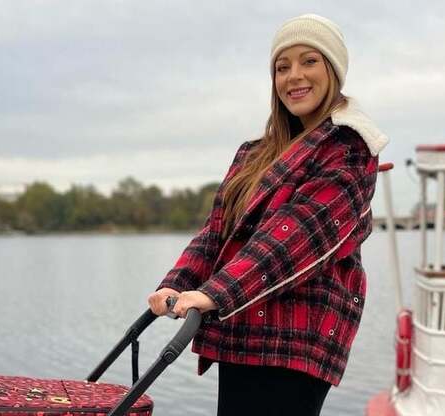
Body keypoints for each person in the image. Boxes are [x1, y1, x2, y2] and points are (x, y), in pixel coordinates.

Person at [146, 14, 388, 416]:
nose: (294, 76)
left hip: (297, 340)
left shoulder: (348, 147)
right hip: (242, 331)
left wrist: (212, 294)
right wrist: (177, 284)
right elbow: (215, 233)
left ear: (333, 69)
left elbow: (295, 239)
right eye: (282, 66)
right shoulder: (253, 153)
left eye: (309, 61)